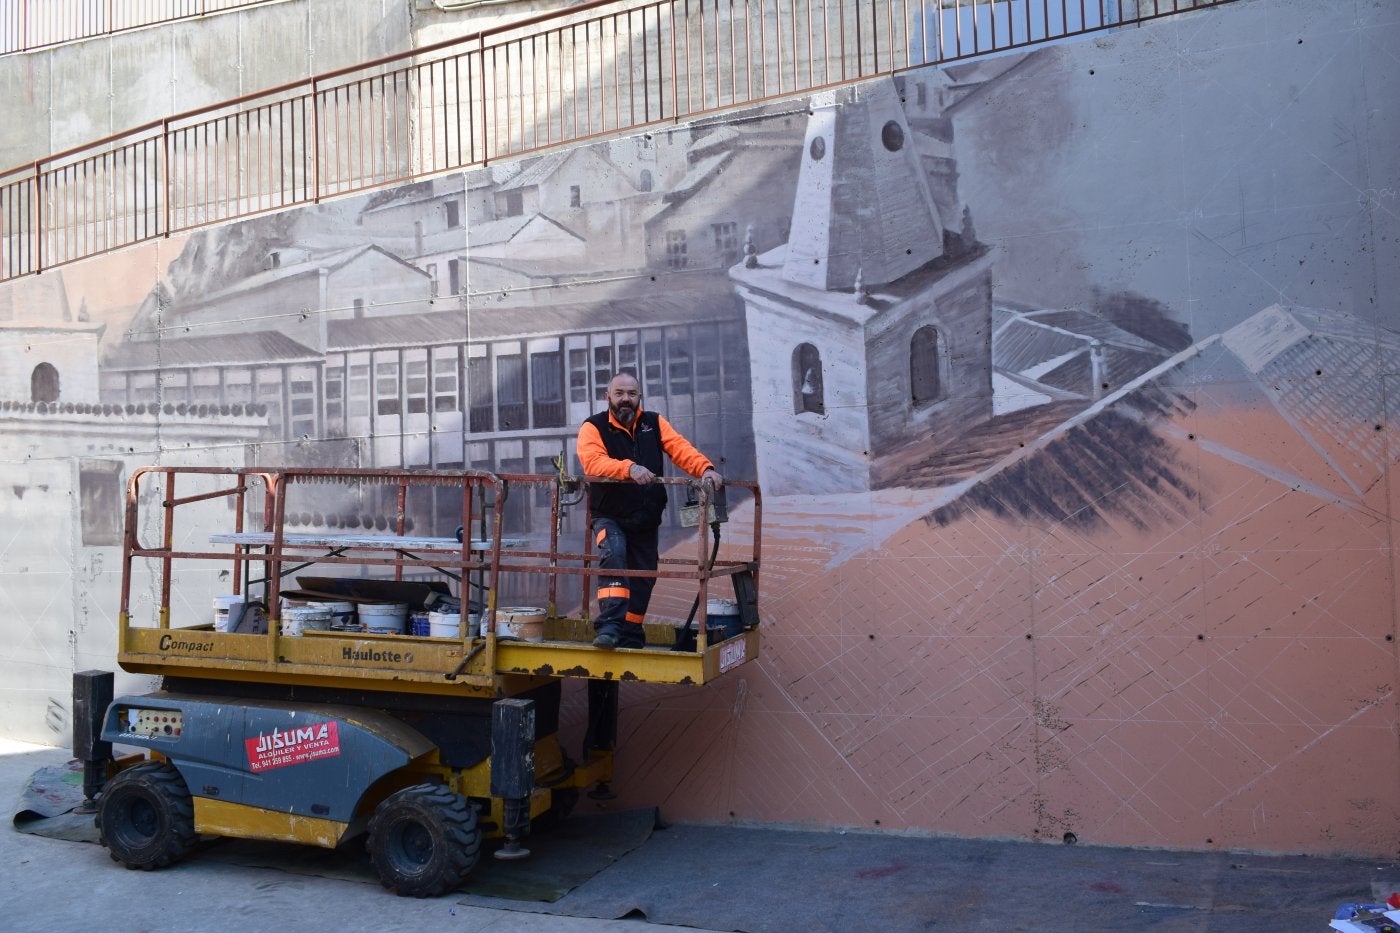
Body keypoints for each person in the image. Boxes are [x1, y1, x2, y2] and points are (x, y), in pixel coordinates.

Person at [576, 371, 723, 649]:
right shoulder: (592, 427)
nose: (625, 399)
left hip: (646, 518)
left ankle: (631, 632)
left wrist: (705, 468)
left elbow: (680, 448)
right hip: (610, 515)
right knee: (614, 557)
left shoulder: (653, 423)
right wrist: (629, 468)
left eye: (631, 394)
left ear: (639, 397)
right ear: (607, 397)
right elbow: (593, 463)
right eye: (619, 393)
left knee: (644, 575)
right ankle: (609, 628)